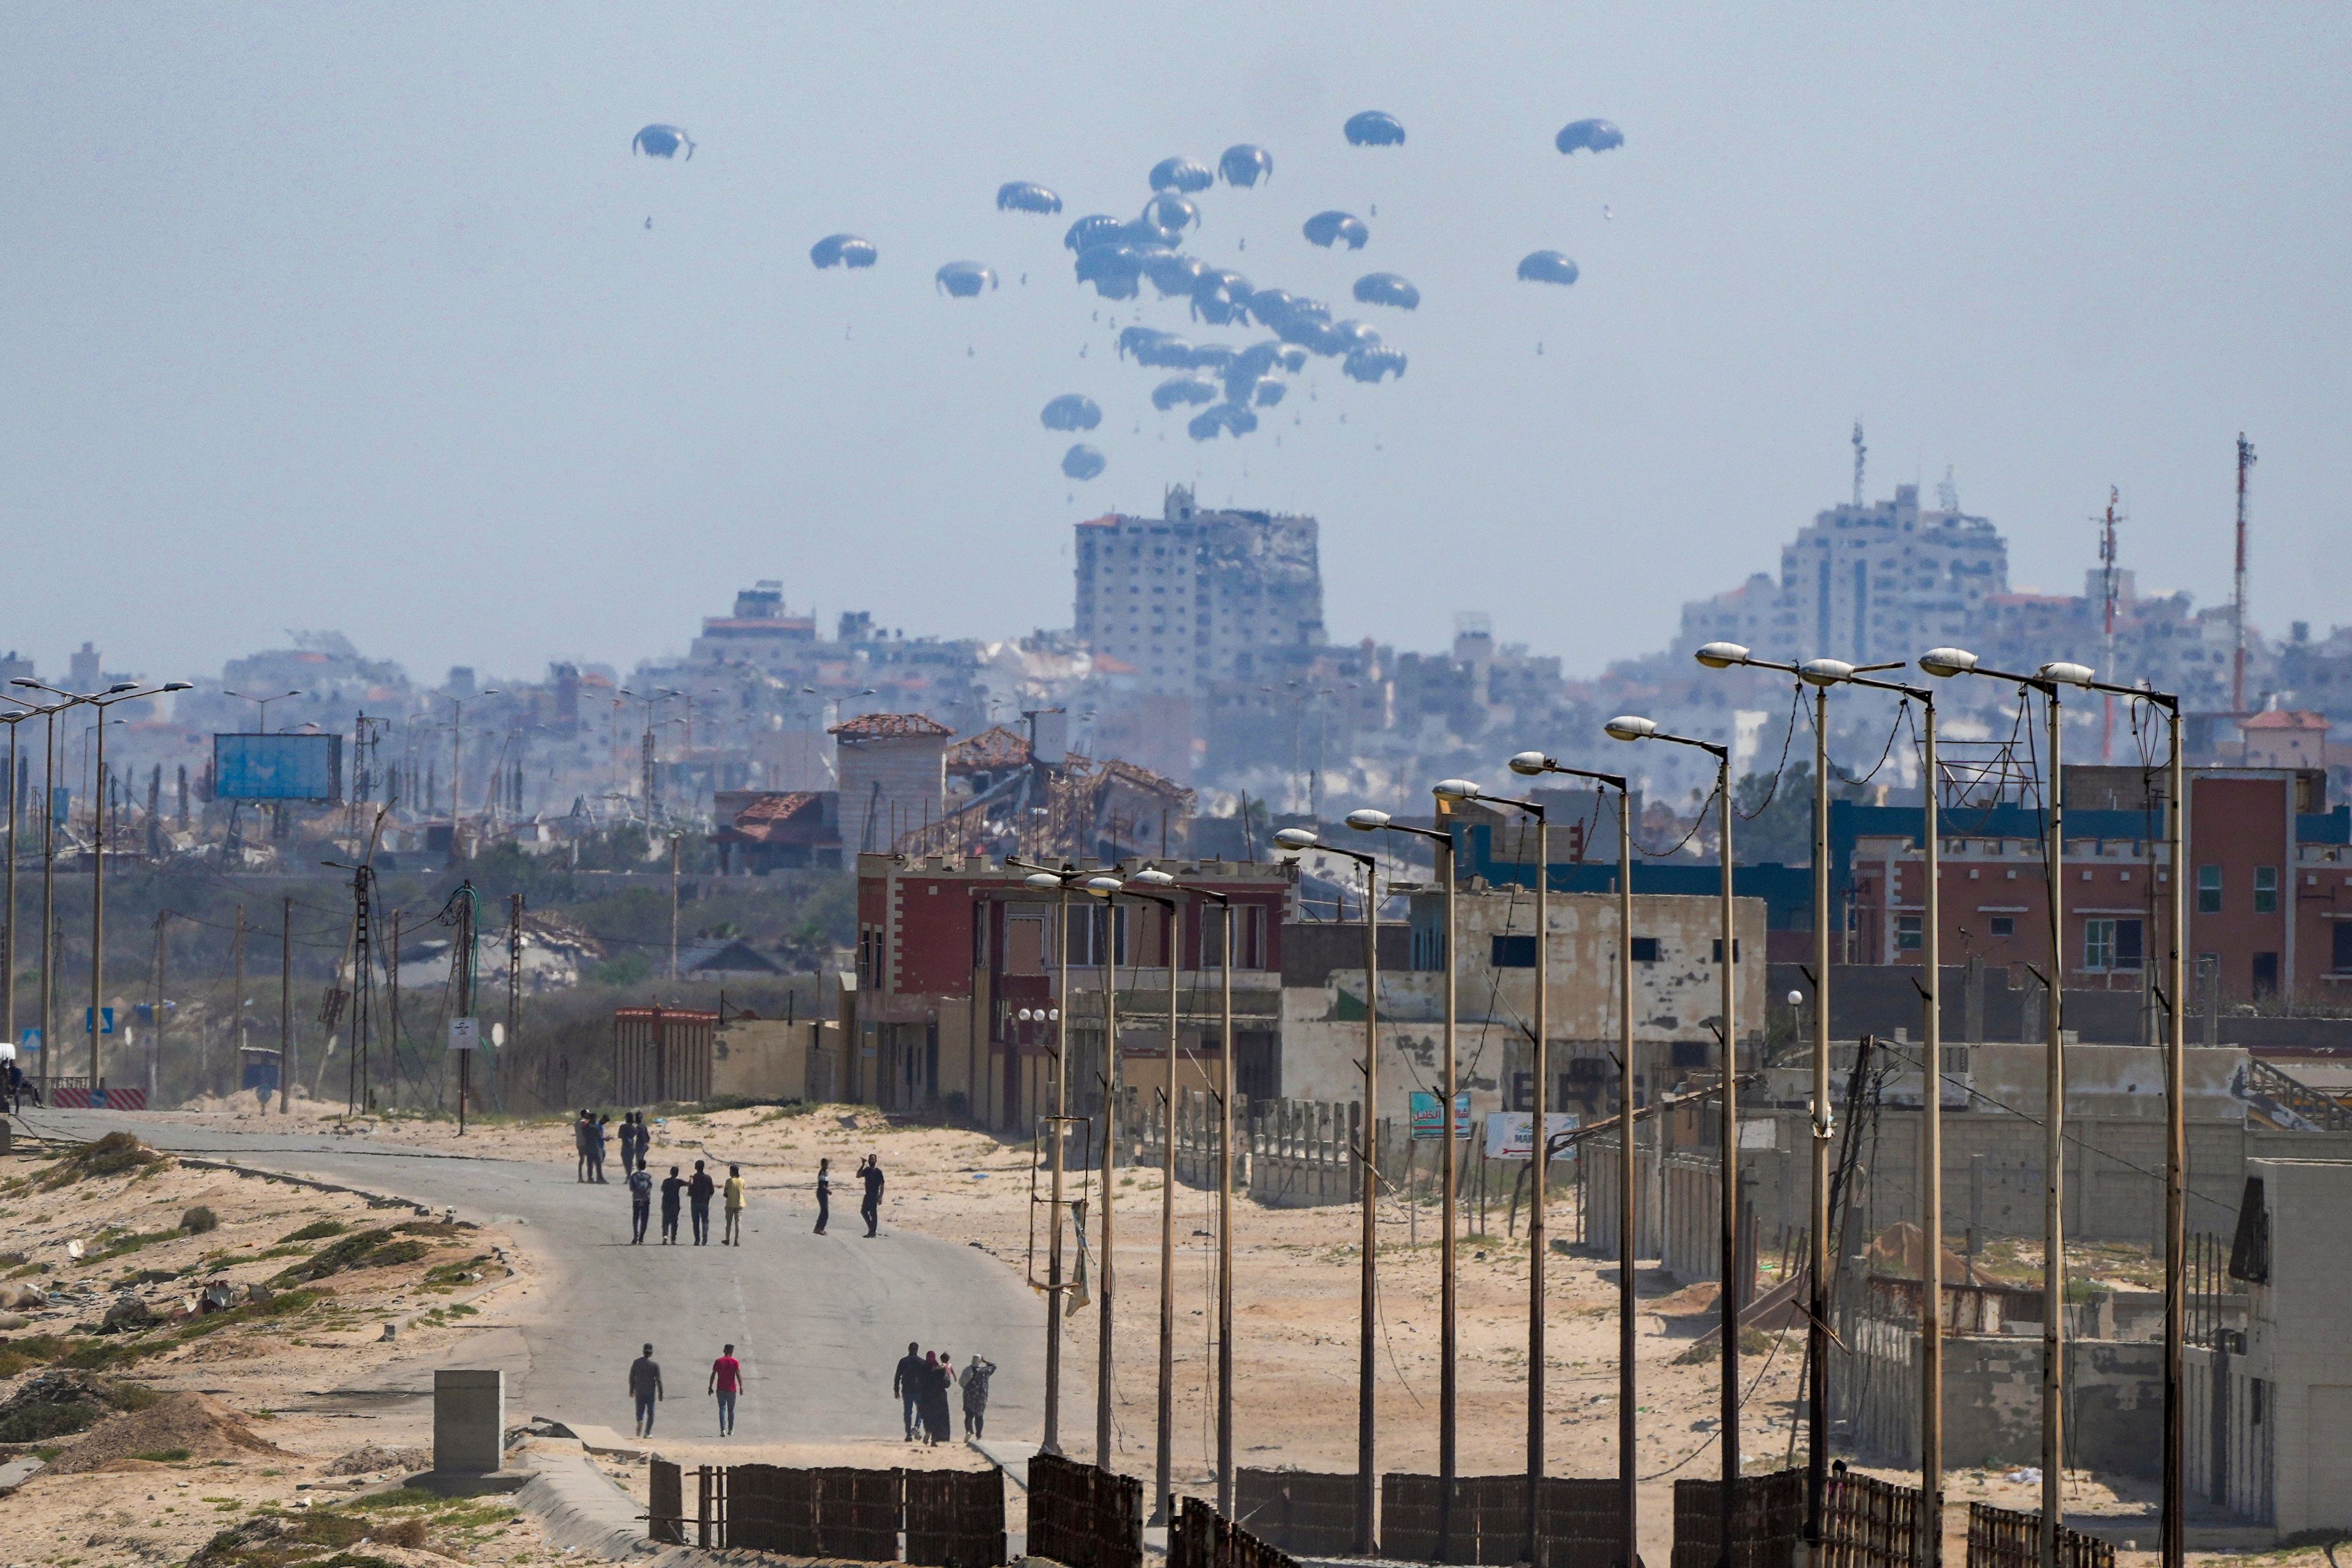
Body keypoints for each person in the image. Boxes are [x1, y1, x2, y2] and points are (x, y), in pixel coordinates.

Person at [893, 1341, 925, 1442]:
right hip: (919, 1390)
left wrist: (896, 1389)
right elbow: (926, 1378)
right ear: (917, 1350)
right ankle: (916, 1426)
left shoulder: (903, 1361)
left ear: (909, 1350)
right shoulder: (921, 1362)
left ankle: (908, 1434)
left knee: (908, 1412)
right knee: (921, 1410)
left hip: (906, 1390)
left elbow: (898, 1376)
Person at [628, 1343, 663, 1437]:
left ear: (643, 1352)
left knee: (640, 1409)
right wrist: (661, 1393)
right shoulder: (655, 1365)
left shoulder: (637, 1363)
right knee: (650, 1413)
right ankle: (647, 1433)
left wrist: (631, 1389)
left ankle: (640, 1420)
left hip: (639, 1391)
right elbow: (658, 1380)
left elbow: (632, 1376)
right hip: (650, 1392)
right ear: (651, 1353)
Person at [708, 1343, 743, 1437]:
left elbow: (713, 1375)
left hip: (721, 1389)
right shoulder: (735, 1362)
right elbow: (738, 1375)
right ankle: (730, 1429)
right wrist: (741, 1387)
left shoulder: (719, 1361)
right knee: (731, 1410)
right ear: (731, 1351)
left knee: (722, 1409)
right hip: (732, 1390)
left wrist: (710, 1387)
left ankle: (723, 1429)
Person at [958, 1354, 996, 1439]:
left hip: (969, 1396)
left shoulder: (967, 1370)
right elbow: (994, 1366)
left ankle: (969, 1431)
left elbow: (961, 1382)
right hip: (981, 1397)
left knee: (969, 1415)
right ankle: (979, 1435)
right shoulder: (985, 1371)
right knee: (979, 1416)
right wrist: (985, 1361)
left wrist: (966, 1388)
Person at [918, 1351, 951, 1445]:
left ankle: (928, 1431)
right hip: (939, 1396)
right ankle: (935, 1438)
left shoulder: (923, 1368)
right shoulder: (940, 1369)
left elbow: (919, 1381)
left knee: (927, 1416)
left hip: (926, 1396)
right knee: (937, 1417)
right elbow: (947, 1384)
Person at [688, 1160, 716, 1246]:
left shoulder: (693, 1178)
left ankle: (697, 1240)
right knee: (705, 1221)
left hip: (695, 1202)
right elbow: (712, 1191)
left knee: (695, 1222)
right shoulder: (708, 1178)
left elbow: (690, 1192)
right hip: (705, 1203)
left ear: (696, 1167)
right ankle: (705, 1234)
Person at [628, 1160, 654, 1245]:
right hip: (646, 1200)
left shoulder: (634, 1176)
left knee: (636, 1218)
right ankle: (641, 1238)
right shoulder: (649, 1176)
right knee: (644, 1219)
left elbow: (632, 1188)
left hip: (636, 1199)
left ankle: (636, 1236)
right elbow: (649, 1188)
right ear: (645, 1166)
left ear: (638, 1166)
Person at [859, 1153, 885, 1238]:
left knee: (873, 1214)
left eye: (873, 1159)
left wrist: (881, 1196)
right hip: (868, 1195)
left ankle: (872, 1232)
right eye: (870, 1159)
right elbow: (858, 1175)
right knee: (864, 1212)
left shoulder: (878, 1172)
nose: (871, 1161)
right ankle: (871, 1229)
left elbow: (882, 1185)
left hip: (874, 1195)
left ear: (876, 1161)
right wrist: (862, 1165)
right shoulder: (867, 1170)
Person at [659, 1164, 687, 1245]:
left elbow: (662, 1189)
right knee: (674, 1221)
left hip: (666, 1202)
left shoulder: (666, 1181)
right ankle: (673, 1239)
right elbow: (690, 1183)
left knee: (665, 1220)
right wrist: (691, 1177)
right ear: (677, 1174)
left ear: (670, 1173)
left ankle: (665, 1235)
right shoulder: (679, 1182)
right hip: (675, 1203)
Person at [722, 1164, 748, 1246]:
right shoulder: (742, 1181)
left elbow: (725, 1193)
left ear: (732, 1172)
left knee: (729, 1223)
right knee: (738, 1223)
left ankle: (728, 1239)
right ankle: (736, 1240)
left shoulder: (729, 1181)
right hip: (740, 1203)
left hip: (730, 1204)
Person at [813, 1158, 831, 1235]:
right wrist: (828, 1190)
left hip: (824, 1194)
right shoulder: (821, 1173)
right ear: (822, 1164)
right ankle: (820, 1228)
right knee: (825, 1212)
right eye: (825, 1164)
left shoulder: (825, 1173)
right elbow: (821, 1184)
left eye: (827, 1164)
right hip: (821, 1193)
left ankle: (818, 1228)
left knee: (824, 1211)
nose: (827, 1166)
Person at [575, 1110, 594, 1182]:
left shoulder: (576, 1122)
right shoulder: (584, 1123)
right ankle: (590, 1177)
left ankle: (580, 1177)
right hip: (585, 1143)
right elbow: (585, 1132)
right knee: (590, 1160)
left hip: (579, 1142)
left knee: (582, 1160)